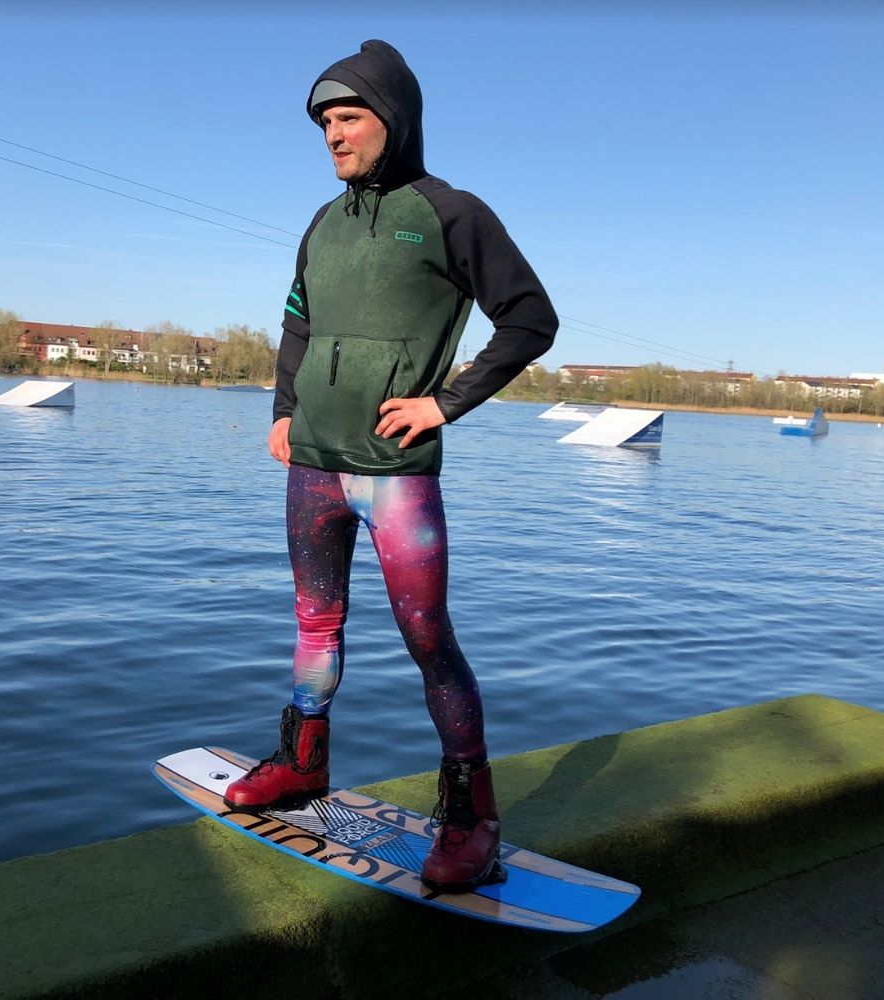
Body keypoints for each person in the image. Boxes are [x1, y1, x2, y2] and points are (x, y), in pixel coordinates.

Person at [224, 39, 558, 893]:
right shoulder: (322, 222)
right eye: (324, 122)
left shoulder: (451, 213)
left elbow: (529, 319)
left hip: (396, 474)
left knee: (427, 639)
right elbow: (297, 322)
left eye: (349, 117)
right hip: (314, 469)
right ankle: (302, 764)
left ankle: (472, 818)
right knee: (313, 625)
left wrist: (444, 402)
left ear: (394, 120)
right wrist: (284, 412)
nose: (334, 135)